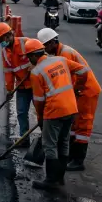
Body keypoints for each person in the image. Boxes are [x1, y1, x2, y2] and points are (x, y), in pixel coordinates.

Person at [37, 28, 102, 171]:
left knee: (83, 124)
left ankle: (79, 161)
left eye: (46, 46)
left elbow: (75, 75)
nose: (45, 50)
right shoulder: (58, 53)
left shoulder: (65, 53)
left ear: (53, 42)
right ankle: (72, 156)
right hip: (78, 92)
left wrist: (77, 89)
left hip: (87, 90)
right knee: (74, 123)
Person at [24, 38, 83, 191]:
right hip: (71, 108)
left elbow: (38, 100)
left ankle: (51, 180)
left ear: (34, 56)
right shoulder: (61, 60)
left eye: (29, 57)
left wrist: (40, 118)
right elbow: (82, 70)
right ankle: (60, 178)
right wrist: (77, 88)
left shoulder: (36, 72)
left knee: (49, 145)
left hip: (54, 111)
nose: (29, 60)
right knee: (63, 142)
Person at [0, 22, 34, 145]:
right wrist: (10, 90)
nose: (0, 41)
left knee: (42, 114)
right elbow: (8, 72)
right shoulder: (5, 52)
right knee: (21, 113)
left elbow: (42, 54)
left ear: (9, 35)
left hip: (36, 85)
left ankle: (45, 141)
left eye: (1, 38)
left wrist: (35, 63)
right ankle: (24, 139)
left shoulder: (25, 42)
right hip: (21, 86)